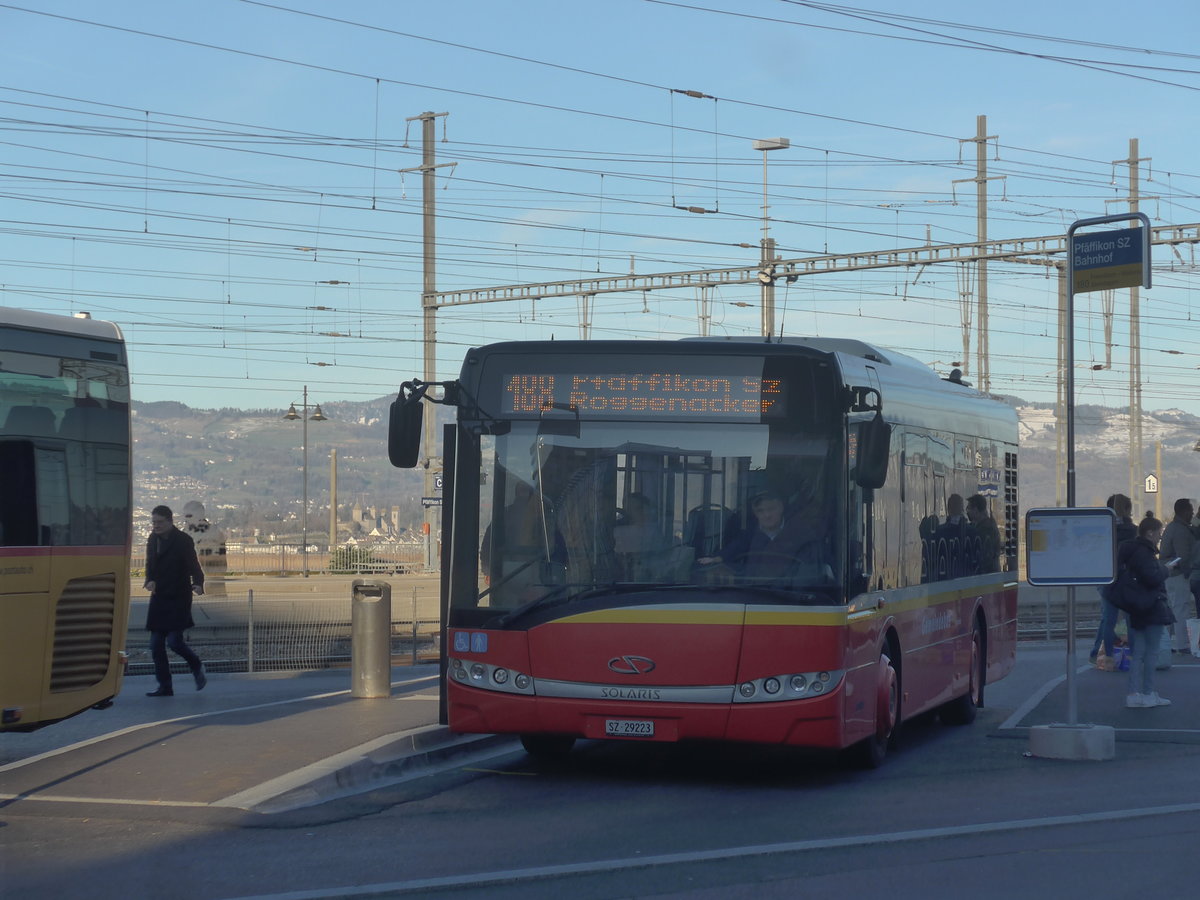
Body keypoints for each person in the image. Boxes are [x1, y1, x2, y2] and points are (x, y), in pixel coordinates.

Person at [143, 505, 206, 696]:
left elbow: (194, 565)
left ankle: (196, 665)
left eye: (160, 522)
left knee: (174, 642)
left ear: (170, 522)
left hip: (179, 596)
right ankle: (165, 686)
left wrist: (198, 583)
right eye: (154, 522)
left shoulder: (183, 540)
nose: (156, 526)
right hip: (159, 597)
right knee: (155, 645)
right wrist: (149, 580)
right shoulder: (152, 539)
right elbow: (149, 563)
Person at [1116, 514, 1176, 708]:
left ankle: (1133, 694)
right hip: (1151, 606)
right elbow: (1152, 578)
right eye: (1159, 532)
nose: (1160, 536)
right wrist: (1165, 569)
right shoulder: (1145, 553)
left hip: (1136, 607)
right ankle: (1149, 693)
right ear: (1150, 532)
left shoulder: (1130, 550)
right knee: (1152, 652)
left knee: (1139, 652)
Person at [699, 490, 824, 580]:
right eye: (761, 511)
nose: (767, 515)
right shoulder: (749, 534)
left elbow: (813, 562)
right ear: (755, 513)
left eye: (771, 509)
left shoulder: (800, 532)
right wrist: (715, 559)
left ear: (781, 508)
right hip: (754, 589)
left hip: (790, 591)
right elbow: (735, 549)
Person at [1090, 493, 1135, 665]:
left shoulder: (1103, 529)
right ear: (1128, 510)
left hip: (1105, 578)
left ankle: (1101, 654)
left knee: (1108, 619)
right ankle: (1130, 655)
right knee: (1130, 619)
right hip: (1126, 579)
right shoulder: (1131, 530)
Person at [1159, 497, 1196, 653]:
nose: (1192, 513)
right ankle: (1182, 644)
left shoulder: (1173, 528)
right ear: (1185, 511)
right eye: (1191, 511)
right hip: (1177, 574)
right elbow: (1183, 556)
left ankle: (1166, 643)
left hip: (1169, 574)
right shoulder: (1180, 530)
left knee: (1171, 609)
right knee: (1181, 608)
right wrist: (1188, 570)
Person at [965, 494, 1000, 574]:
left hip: (987, 576)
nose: (967, 511)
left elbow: (985, 558)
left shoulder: (987, 530)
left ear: (976, 510)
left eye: (969, 508)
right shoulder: (980, 526)